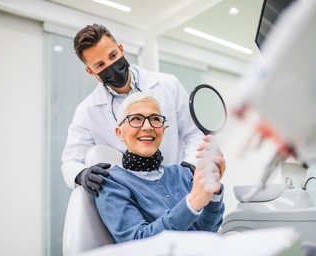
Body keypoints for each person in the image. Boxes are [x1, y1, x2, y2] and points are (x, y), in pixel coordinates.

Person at [61, 23, 206, 196]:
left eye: (113, 55)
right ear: (90, 71)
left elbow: (194, 134)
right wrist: (81, 174)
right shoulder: (88, 110)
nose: (111, 66)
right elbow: (71, 161)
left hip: (180, 186)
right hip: (135, 197)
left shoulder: (168, 85)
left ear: (121, 49)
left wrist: (189, 167)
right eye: (100, 65)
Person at [95, 92, 225, 243]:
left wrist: (213, 192)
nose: (148, 127)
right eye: (136, 119)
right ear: (120, 133)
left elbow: (207, 231)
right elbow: (137, 243)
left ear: (163, 130)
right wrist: (192, 203)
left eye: (155, 119)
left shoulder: (183, 174)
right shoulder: (112, 183)